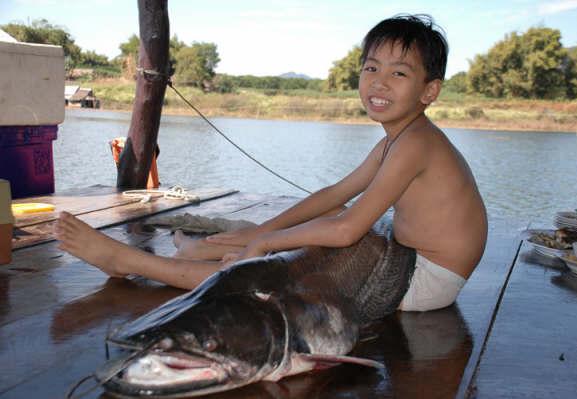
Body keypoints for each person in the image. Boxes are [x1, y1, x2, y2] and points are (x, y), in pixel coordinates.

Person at [54, 14, 487, 311]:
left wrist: (264, 244)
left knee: (279, 271)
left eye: (399, 73)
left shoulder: (416, 143)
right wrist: (263, 230)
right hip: (407, 255)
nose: (379, 83)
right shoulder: (399, 139)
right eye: (371, 68)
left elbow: (348, 228)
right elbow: (334, 196)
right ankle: (202, 249)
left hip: (425, 280)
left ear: (429, 91)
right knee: (291, 232)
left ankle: (132, 262)